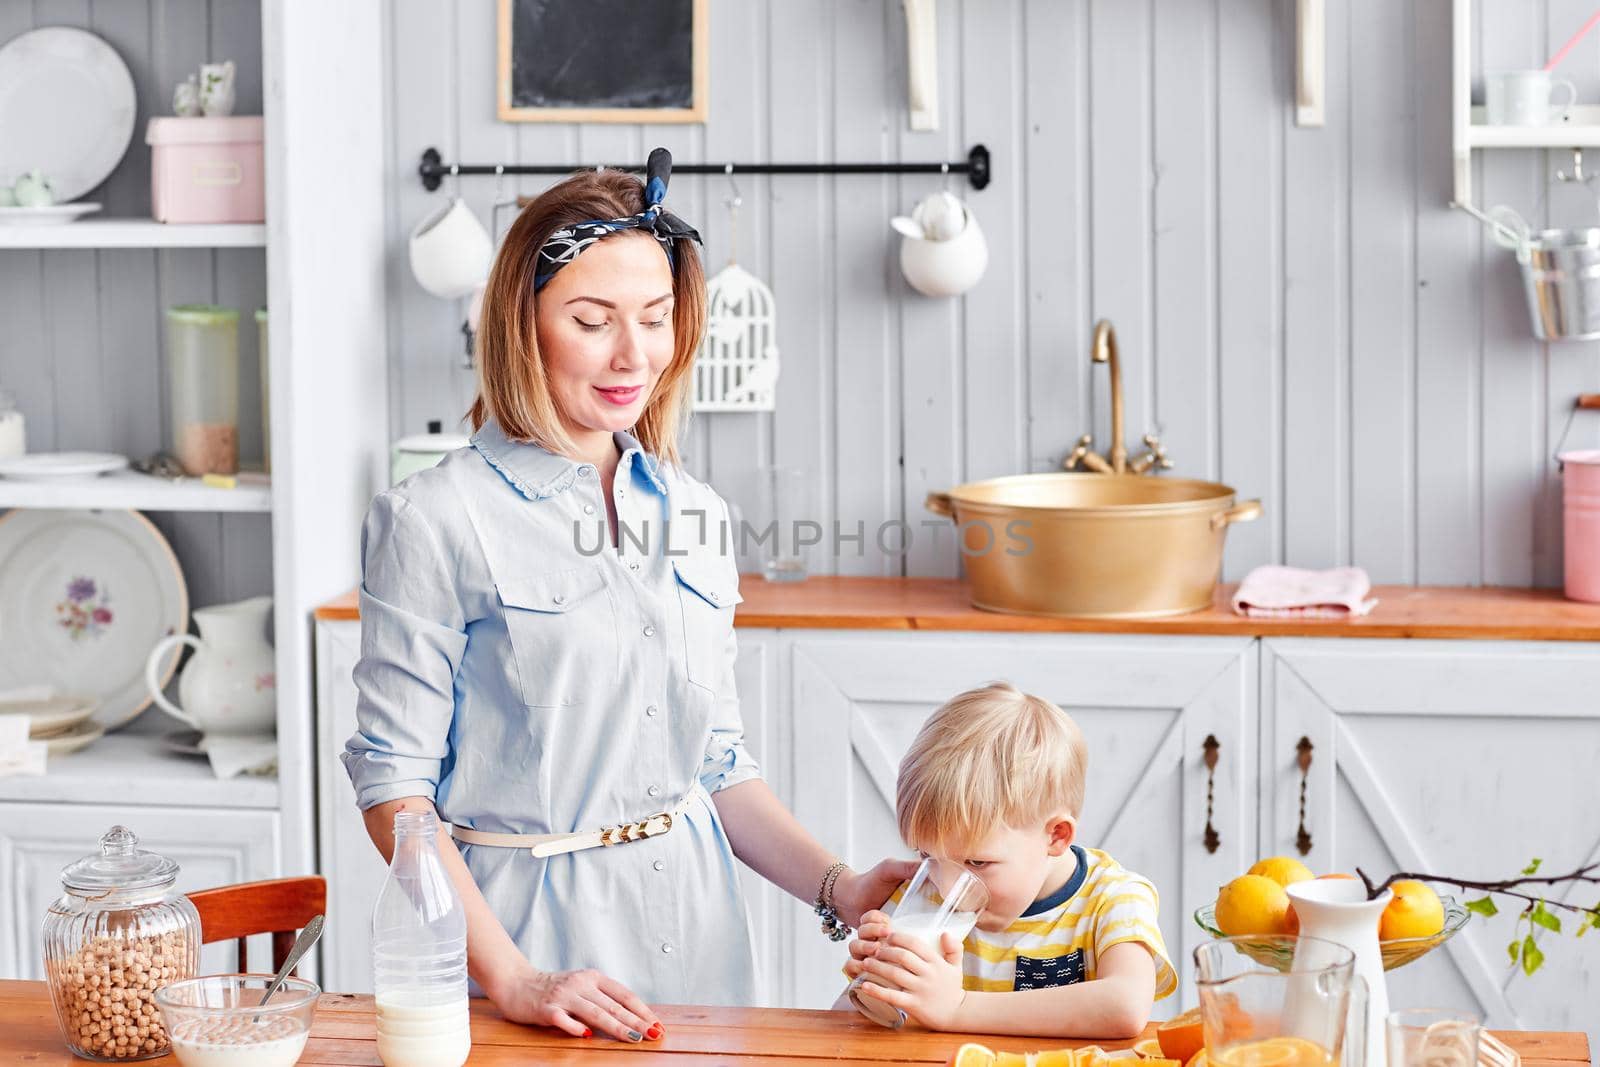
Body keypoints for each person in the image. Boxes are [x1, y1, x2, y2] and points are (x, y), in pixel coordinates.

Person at [343, 149, 914, 1044]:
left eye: (655, 319)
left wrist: (838, 885)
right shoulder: (435, 518)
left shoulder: (696, 510)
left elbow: (716, 763)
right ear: (520, 323)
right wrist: (518, 978)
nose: (632, 354)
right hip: (529, 946)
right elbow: (396, 791)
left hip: (702, 930)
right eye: (591, 319)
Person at [839, 682, 1177, 1037]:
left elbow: (1125, 1006)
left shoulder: (1113, 898)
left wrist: (957, 1008)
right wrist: (877, 984)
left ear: (1056, 836)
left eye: (977, 863)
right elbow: (845, 1029)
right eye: (927, 855)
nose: (949, 887)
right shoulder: (925, 897)